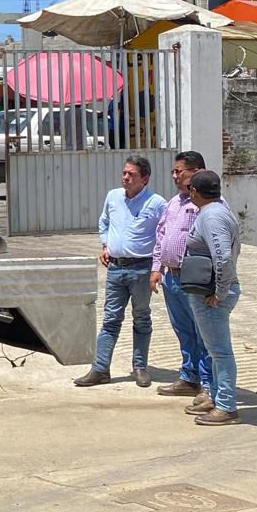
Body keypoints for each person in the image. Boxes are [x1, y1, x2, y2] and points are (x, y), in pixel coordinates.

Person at [75, 155, 166, 388]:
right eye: (124, 173)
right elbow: (104, 222)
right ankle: (100, 369)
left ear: (144, 179)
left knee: (142, 318)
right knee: (110, 319)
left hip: (142, 269)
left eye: (131, 174)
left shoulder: (157, 204)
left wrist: (158, 268)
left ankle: (140, 367)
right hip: (115, 268)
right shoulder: (113, 197)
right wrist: (105, 244)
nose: (125, 177)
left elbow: (164, 236)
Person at [150, 151, 213, 400]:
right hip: (172, 278)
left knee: (204, 333)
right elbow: (161, 235)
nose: (174, 176)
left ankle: (209, 385)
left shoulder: (207, 205)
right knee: (184, 330)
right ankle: (189, 377)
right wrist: (157, 268)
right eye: (174, 172)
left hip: (195, 280)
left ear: (196, 172)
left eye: (179, 171)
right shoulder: (174, 202)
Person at [184, 171, 242, 426]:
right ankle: (218, 398)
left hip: (212, 296)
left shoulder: (212, 216)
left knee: (219, 351)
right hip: (211, 293)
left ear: (195, 192)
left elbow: (223, 258)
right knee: (214, 349)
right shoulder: (216, 211)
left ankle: (227, 406)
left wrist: (219, 292)